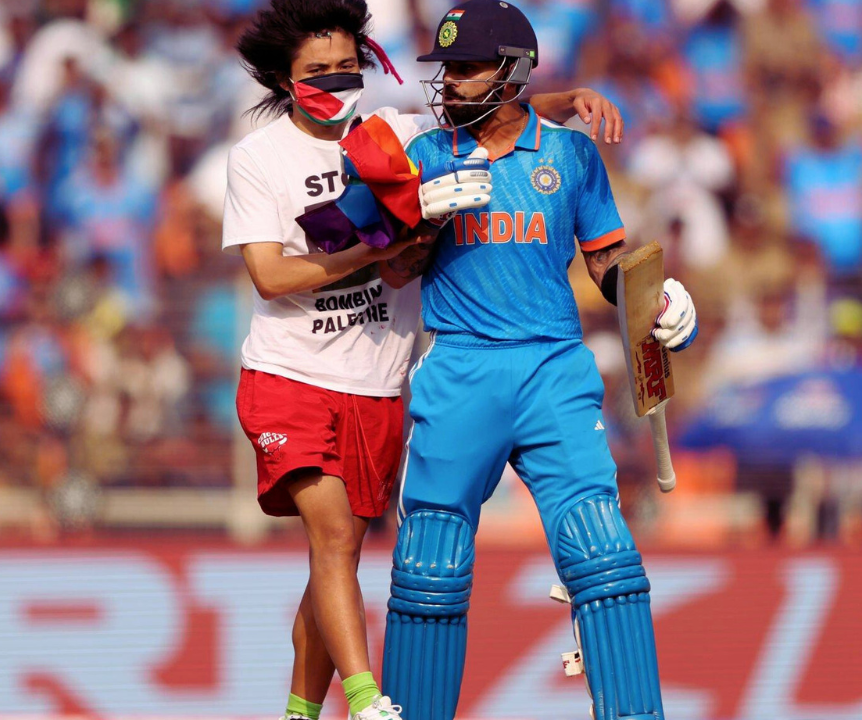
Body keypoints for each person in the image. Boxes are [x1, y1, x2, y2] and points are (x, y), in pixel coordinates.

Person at [221, 2, 624, 719]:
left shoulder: (401, 135)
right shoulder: (259, 157)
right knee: (337, 538)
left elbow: (495, 111)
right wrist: (380, 252)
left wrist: (572, 100)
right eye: (316, 71)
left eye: (347, 65)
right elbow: (272, 277)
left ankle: (298, 712)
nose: (335, 80)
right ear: (284, 78)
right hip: (290, 375)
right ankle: (367, 697)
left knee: (331, 564)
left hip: (378, 380)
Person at [376, 2, 698, 718]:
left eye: (467, 69)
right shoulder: (425, 156)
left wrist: (660, 300)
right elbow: (395, 272)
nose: (452, 84)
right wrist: (425, 225)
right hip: (459, 366)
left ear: (515, 71)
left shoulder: (571, 156)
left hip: (554, 369)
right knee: (431, 562)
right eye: (447, 70)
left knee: (603, 552)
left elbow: (608, 264)